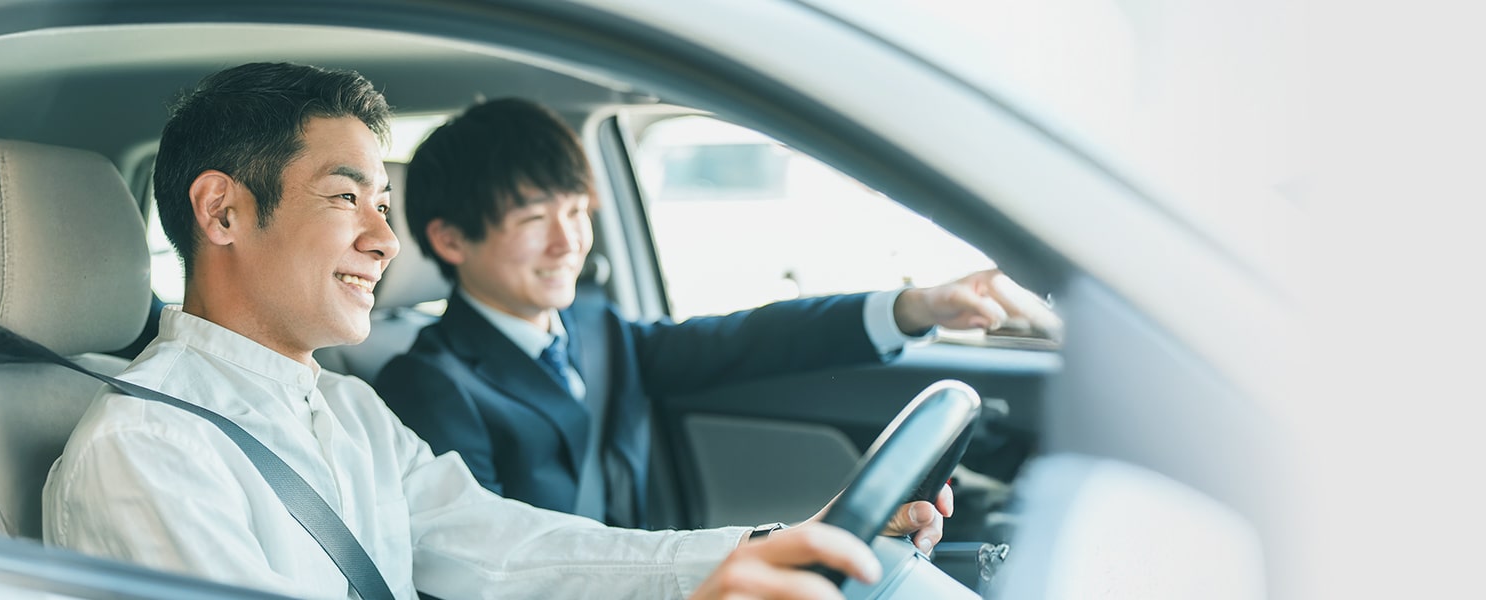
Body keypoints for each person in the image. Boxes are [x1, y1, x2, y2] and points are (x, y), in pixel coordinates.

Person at [41, 62, 946, 600]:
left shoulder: (350, 412)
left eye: (384, 204)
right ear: (222, 212)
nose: (385, 240)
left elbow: (514, 550)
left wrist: (763, 550)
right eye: (347, 197)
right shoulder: (148, 450)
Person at [375, 98, 1056, 535]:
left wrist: (912, 308)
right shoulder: (428, 386)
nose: (569, 243)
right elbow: (491, 563)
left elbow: (748, 339)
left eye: (577, 212)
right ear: (450, 240)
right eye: (533, 220)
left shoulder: (595, 325)